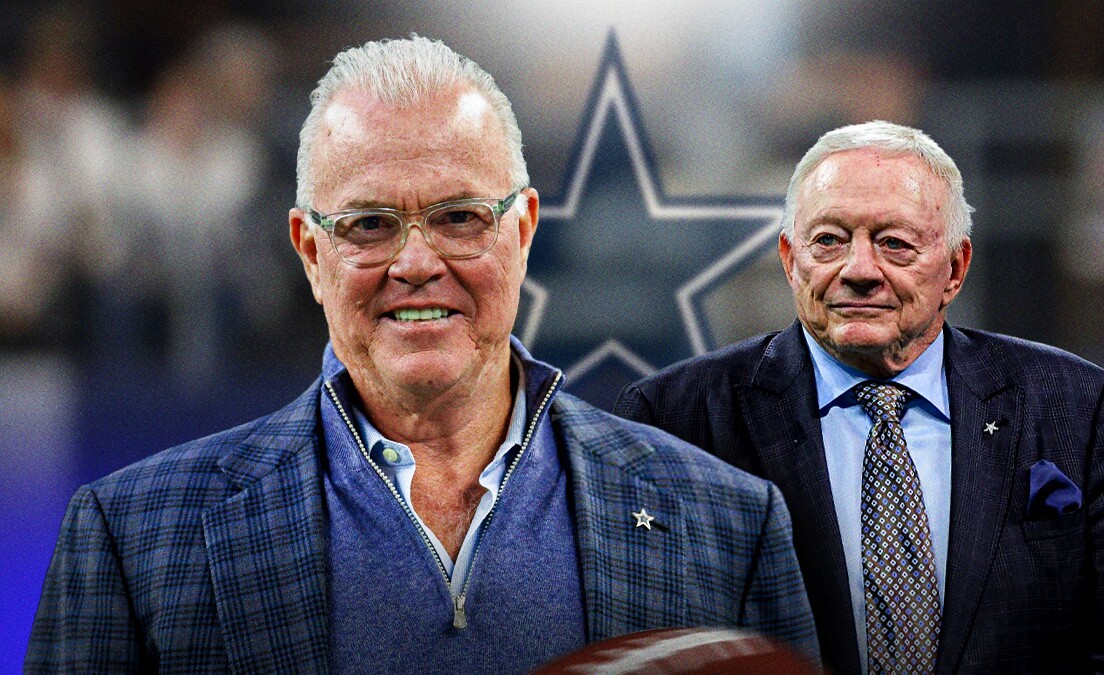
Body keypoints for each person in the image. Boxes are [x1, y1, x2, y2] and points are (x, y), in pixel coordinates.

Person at [26, 37, 818, 673]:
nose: (415, 262)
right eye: (368, 224)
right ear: (309, 249)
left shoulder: (729, 522)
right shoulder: (132, 539)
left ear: (523, 229)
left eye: (460, 217)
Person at [615, 120, 1104, 673]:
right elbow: (641, 656)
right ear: (789, 259)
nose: (859, 271)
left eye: (895, 244)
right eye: (829, 240)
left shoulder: (1076, 404)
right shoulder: (673, 417)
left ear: (955, 269)